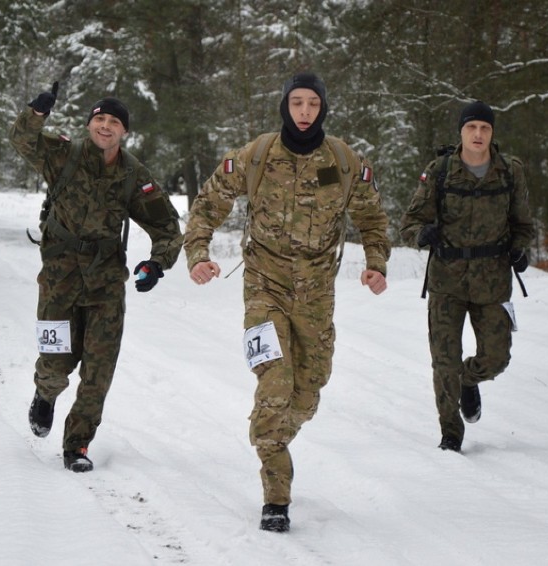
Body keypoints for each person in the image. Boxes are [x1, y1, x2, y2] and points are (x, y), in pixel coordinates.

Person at [183, 72, 390, 532]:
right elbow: (207, 204)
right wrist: (197, 254)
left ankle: (269, 432)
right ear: (284, 106)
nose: (303, 111)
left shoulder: (343, 159)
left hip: (317, 292)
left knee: (310, 389)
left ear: (322, 109)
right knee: (276, 380)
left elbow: (372, 216)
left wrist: (377, 263)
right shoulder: (257, 156)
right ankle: (276, 494)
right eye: (296, 102)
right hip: (265, 284)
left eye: (312, 104)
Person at [9, 83, 183, 473]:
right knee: (56, 363)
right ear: (90, 124)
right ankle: (45, 393)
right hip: (59, 279)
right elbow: (21, 141)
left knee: (98, 370)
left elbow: (168, 227)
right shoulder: (63, 155)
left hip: (106, 282)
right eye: (100, 119)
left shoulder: (134, 174)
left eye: (114, 122)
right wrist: (36, 114)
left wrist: (157, 263)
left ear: (125, 132)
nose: (105, 126)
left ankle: (77, 445)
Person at [400, 100, 535, 453]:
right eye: (471, 127)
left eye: (485, 128)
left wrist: (520, 250)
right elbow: (409, 221)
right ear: (460, 131)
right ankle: (451, 434)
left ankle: (468, 379)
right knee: (443, 360)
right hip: (447, 281)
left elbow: (523, 225)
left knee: (497, 358)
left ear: (492, 132)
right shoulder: (441, 171)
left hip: (492, 282)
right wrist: (421, 234)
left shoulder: (509, 171)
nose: (478, 134)